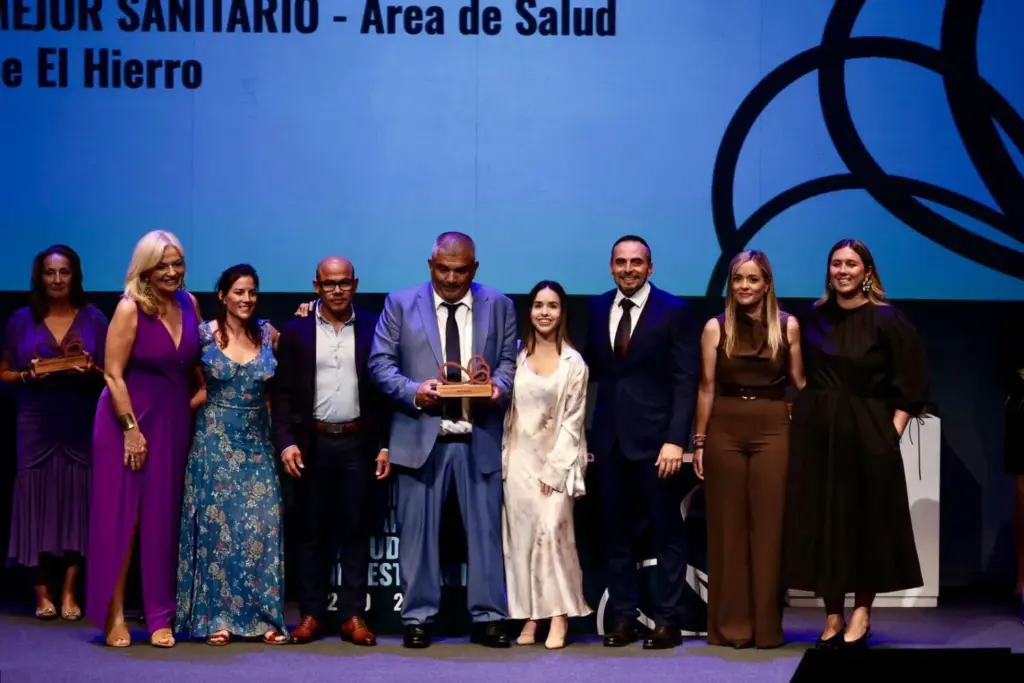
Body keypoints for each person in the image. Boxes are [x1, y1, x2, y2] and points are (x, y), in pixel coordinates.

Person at [367, 232, 516, 649]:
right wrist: (414, 391)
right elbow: (380, 365)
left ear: (475, 268)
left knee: (486, 536)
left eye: (461, 270)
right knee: (417, 536)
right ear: (430, 265)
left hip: (479, 436)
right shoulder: (399, 304)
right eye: (443, 269)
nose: (451, 278)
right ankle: (417, 618)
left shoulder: (499, 305)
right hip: (420, 437)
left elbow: (506, 363)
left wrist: (497, 389)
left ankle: (489, 618)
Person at [784, 238, 929, 649]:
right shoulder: (812, 317)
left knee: (866, 525)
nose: (843, 271)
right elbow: (800, 374)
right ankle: (832, 615)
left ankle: (862, 613)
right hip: (818, 434)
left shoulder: (888, 320)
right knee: (824, 523)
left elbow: (911, 384)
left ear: (867, 272)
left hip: (869, 433)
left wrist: (890, 434)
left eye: (851, 264)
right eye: (836, 264)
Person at [86, 230, 202, 648]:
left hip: (173, 422)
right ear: (145, 269)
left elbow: (196, 360)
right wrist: (131, 430)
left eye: (177, 263)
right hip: (127, 423)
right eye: (162, 265)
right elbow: (112, 373)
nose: (171, 272)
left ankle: (159, 615)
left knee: (162, 519)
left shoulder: (189, 304)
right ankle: (114, 613)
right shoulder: (129, 308)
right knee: (125, 519)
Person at [584, 235, 699, 650]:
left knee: (667, 533)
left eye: (637, 262)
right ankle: (624, 619)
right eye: (620, 262)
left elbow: (686, 381)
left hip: (657, 445)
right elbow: (591, 375)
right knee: (617, 535)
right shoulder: (596, 308)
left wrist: (676, 440)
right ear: (611, 266)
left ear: (650, 267)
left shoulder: (675, 310)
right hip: (610, 442)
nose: (628, 269)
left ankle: (667, 620)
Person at [274, 256, 392, 646]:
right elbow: (283, 393)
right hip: (313, 442)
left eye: (344, 283)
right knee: (311, 532)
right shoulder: (296, 331)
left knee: (356, 530)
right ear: (316, 286)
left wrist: (385, 444)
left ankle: (353, 616)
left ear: (355, 284)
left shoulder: (377, 327)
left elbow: (385, 393)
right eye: (329, 284)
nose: (337, 290)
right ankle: (311, 614)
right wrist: (286, 441)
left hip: (359, 441)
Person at [692, 250, 804, 649]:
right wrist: (700, 441)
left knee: (768, 528)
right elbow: (705, 387)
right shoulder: (714, 327)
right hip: (724, 426)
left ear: (767, 284)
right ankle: (731, 627)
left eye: (753, 279)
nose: (744, 286)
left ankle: (766, 628)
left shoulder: (788, 326)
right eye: (738, 278)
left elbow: (800, 382)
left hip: (772, 428)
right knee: (728, 528)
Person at [174, 264, 289, 646]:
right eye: (238, 292)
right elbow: (181, 384)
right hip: (214, 444)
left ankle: (264, 618)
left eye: (252, 292)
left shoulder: (268, 335)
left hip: (257, 444)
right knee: (216, 533)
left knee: (262, 527)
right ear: (222, 295)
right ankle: (215, 618)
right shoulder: (202, 336)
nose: (246, 299)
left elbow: (281, 393)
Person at [2, 245, 107, 621]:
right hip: (35, 421)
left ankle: (69, 594)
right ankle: (41, 593)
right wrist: (29, 374)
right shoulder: (21, 320)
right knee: (35, 503)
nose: (57, 280)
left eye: (64, 272)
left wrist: (91, 371)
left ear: (75, 276)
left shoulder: (94, 319)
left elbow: (112, 372)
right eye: (50, 272)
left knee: (78, 503)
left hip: (79, 420)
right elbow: (5, 373)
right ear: (40, 276)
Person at [501, 280, 592, 650]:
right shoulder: (515, 358)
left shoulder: (575, 363)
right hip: (519, 462)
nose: (544, 312)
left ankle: (560, 616)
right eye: (538, 305)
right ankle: (530, 617)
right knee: (521, 543)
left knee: (555, 537)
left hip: (557, 464)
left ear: (562, 312)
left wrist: (555, 471)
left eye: (552, 305)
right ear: (530, 311)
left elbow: (573, 421)